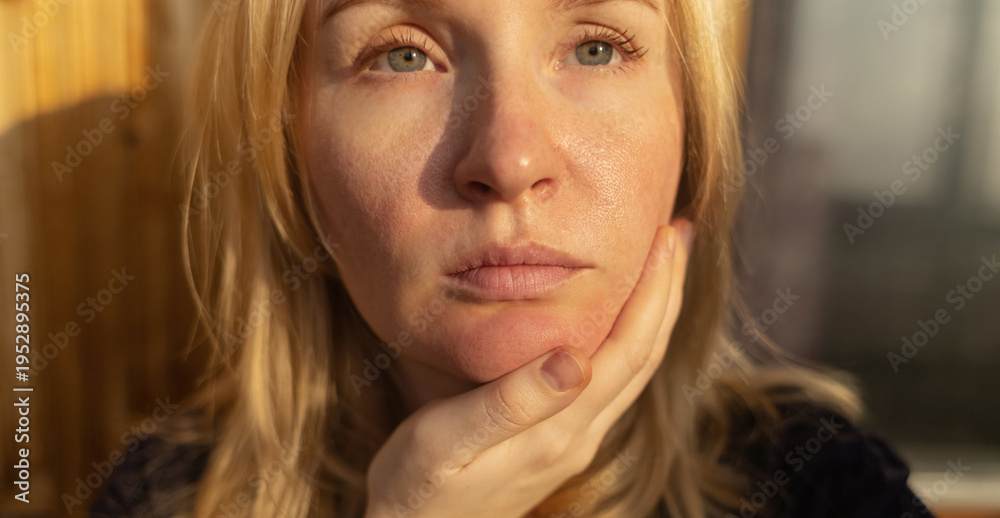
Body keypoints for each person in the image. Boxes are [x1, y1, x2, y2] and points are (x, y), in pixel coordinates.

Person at [91, 0, 934, 516]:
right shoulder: (169, 497)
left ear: (692, 127)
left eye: (596, 46)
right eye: (403, 54)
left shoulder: (815, 486)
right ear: (288, 149)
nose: (510, 158)